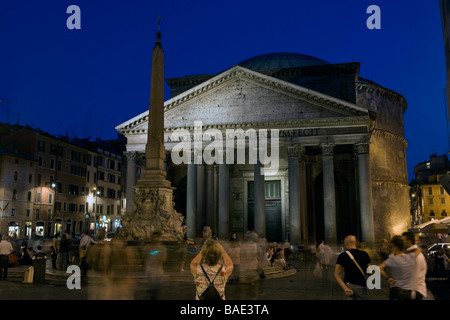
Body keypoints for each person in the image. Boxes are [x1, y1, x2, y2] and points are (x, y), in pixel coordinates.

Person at [379, 235, 422, 300]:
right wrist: (405, 252)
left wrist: (387, 278)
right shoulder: (411, 257)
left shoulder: (392, 259)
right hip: (409, 292)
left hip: (396, 290)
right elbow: (418, 249)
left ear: (394, 246)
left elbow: (378, 268)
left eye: (391, 247)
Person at [334, 235, 371, 300]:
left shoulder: (342, 256)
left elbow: (336, 275)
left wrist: (345, 289)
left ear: (346, 243)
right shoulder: (364, 254)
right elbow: (371, 271)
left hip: (348, 286)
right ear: (355, 243)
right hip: (361, 285)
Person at [402, 231, 428, 299]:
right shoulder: (413, 253)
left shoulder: (415, 256)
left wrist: (412, 293)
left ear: (409, 241)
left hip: (415, 291)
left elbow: (414, 275)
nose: (401, 242)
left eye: (403, 240)